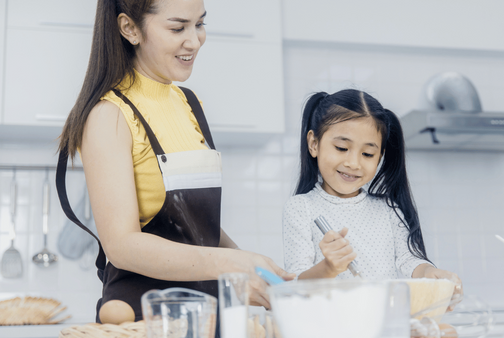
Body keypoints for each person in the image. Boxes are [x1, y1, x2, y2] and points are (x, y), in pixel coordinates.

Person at [56, 0, 294, 324]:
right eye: (177, 27)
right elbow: (121, 245)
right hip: (142, 321)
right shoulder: (110, 115)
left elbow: (194, 226)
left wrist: (253, 266)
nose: (194, 41)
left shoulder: (190, 103)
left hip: (207, 316)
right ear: (129, 28)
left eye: (200, 24)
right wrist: (228, 266)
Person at [283, 89, 462, 307]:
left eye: (367, 154)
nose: (354, 163)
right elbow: (295, 286)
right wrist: (328, 268)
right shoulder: (301, 208)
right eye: (341, 148)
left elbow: (408, 261)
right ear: (314, 143)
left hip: (385, 323)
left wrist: (432, 273)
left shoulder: (388, 209)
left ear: (380, 156)